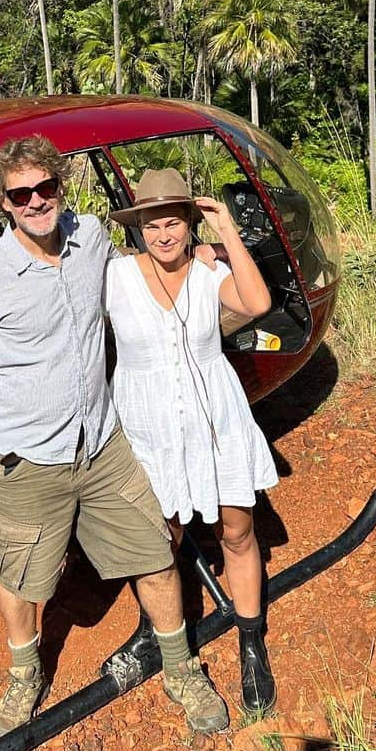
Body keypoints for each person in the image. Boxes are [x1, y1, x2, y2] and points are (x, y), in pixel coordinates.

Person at [0, 136, 229, 738]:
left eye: (46, 187)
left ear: (60, 185)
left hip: (101, 442)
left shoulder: (90, 236)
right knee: (20, 577)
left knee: (153, 551)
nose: (37, 201)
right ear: (4, 202)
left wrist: (198, 254)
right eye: (22, 194)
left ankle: (179, 665)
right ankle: (24, 676)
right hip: (25, 457)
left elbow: (144, 256)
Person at [106, 167, 280, 715]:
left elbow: (257, 304)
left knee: (237, 529)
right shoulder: (114, 277)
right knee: (160, 538)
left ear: (189, 223)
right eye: (152, 224)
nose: (163, 235)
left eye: (174, 223)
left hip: (215, 418)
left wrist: (226, 232)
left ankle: (251, 643)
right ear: (137, 228)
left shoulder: (209, 274)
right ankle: (153, 628)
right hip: (149, 425)